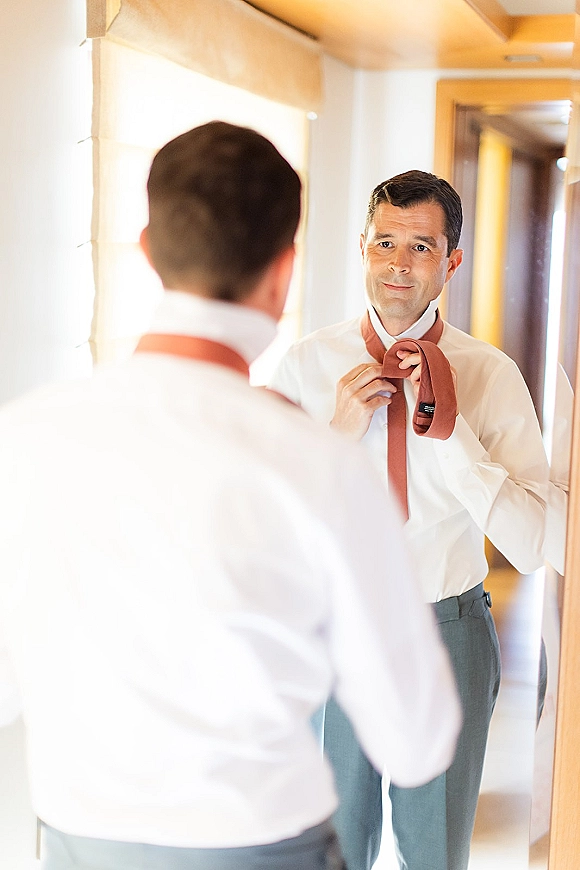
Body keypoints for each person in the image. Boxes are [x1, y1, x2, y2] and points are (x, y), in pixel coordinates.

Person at [0, 126, 461, 870]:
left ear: (147, 250)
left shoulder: (19, 441)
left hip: (77, 844)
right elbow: (417, 740)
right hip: (264, 847)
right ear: (284, 273)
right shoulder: (319, 462)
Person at [270, 170, 551, 870]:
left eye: (421, 246)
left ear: (451, 261)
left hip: (447, 633)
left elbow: (534, 543)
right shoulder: (305, 366)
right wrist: (334, 433)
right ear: (363, 248)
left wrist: (453, 437)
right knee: (328, 849)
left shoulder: (491, 375)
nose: (399, 263)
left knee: (434, 853)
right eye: (385, 242)